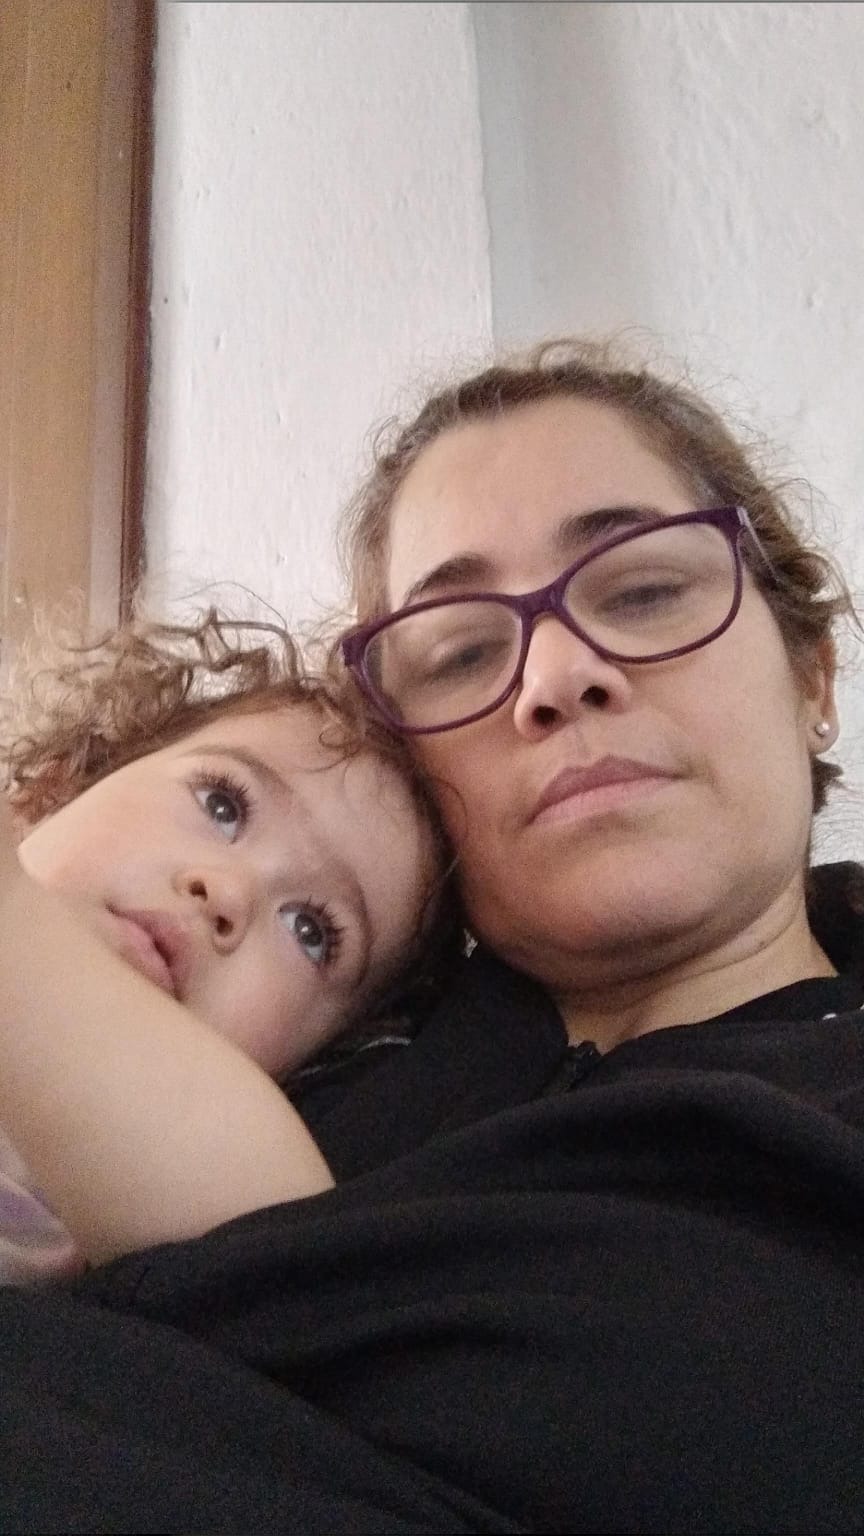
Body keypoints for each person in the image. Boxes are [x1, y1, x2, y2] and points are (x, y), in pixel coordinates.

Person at [2, 338, 864, 1534]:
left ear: (812, 673)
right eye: (462, 651)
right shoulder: (256, 1042)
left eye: (643, 590)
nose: (556, 675)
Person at [0, 608, 447, 1282]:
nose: (229, 894)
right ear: (59, 784)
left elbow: (269, 1240)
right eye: (222, 805)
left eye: (311, 931)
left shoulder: (142, 1202)